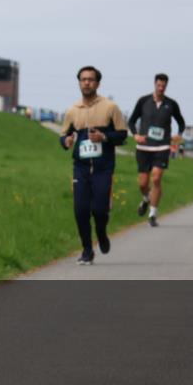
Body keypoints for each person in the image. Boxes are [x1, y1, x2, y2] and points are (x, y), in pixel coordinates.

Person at [59, 66, 128, 265]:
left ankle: (102, 233)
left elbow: (122, 134)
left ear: (97, 83)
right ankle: (87, 250)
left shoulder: (110, 107)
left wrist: (104, 136)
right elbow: (63, 135)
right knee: (80, 210)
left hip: (103, 168)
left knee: (99, 210)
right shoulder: (73, 110)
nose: (86, 82)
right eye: (83, 79)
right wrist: (66, 142)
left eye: (90, 79)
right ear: (79, 82)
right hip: (80, 168)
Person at [127, 73, 185, 227]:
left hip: (162, 146)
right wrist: (136, 135)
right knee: (143, 183)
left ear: (166, 86)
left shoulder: (171, 104)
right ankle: (146, 198)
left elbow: (181, 122)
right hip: (144, 147)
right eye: (159, 85)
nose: (161, 88)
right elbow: (131, 121)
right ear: (154, 84)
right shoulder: (143, 101)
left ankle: (152, 214)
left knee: (157, 178)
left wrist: (178, 135)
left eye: (163, 86)